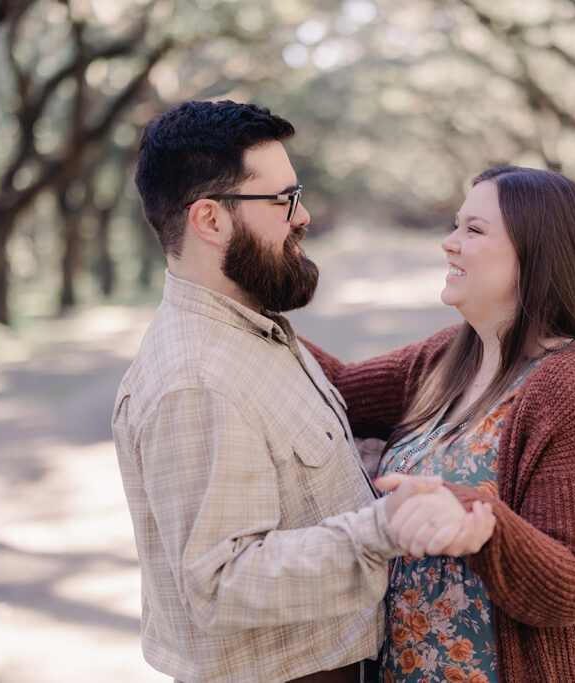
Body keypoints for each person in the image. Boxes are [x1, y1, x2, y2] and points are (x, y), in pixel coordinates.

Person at [111, 100, 495, 683]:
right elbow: (219, 584)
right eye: (282, 200)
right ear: (210, 220)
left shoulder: (252, 329)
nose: (303, 215)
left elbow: (295, 478)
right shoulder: (196, 381)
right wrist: (380, 530)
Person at [305, 166, 575, 682]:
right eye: (455, 225)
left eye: (474, 230)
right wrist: (240, 313)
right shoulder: (447, 354)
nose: (449, 243)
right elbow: (336, 389)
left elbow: (573, 587)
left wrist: (473, 518)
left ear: (536, 253)